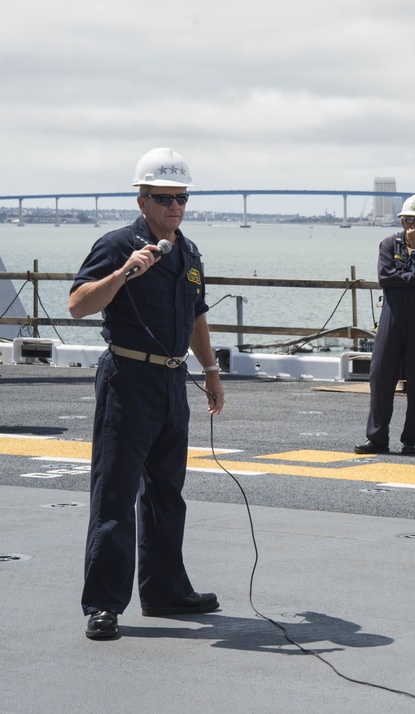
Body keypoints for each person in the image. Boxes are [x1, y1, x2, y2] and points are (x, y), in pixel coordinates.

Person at [69, 148, 224, 640]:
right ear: (142, 200)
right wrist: (124, 273)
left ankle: (165, 592)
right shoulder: (118, 245)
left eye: (181, 198)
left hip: (172, 382)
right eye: (164, 198)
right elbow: (77, 305)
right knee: (114, 493)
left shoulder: (190, 252)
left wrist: (212, 370)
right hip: (128, 380)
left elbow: (196, 314)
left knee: (166, 494)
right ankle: (104, 604)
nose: (174, 206)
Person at [356, 195, 415, 455]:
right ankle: (377, 438)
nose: (412, 225)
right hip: (392, 317)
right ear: (402, 220)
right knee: (381, 376)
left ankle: (411, 439)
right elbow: (385, 277)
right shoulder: (388, 244)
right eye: (408, 220)